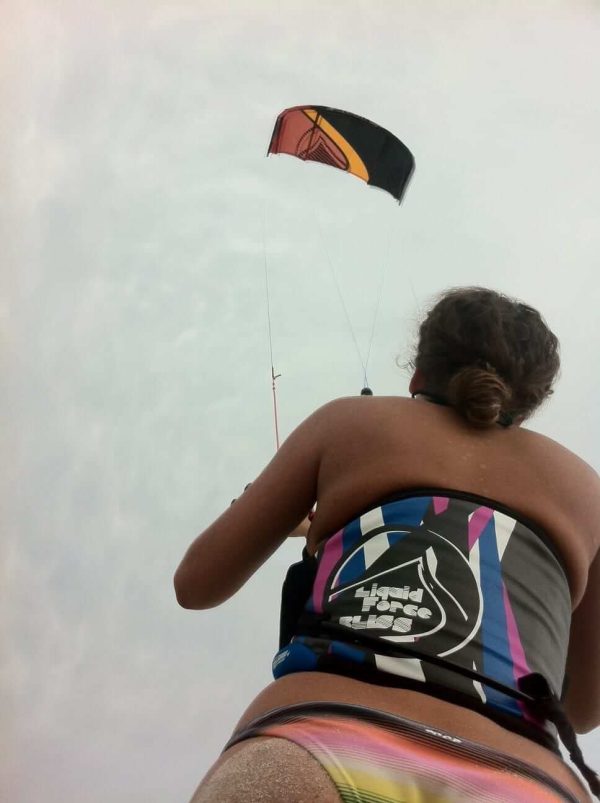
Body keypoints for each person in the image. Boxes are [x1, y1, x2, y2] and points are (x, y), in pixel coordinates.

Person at [174, 287, 600, 802]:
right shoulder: (586, 490)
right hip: (517, 776)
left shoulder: (348, 422)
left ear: (419, 373)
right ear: (530, 400)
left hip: (320, 740)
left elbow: (196, 585)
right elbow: (583, 710)